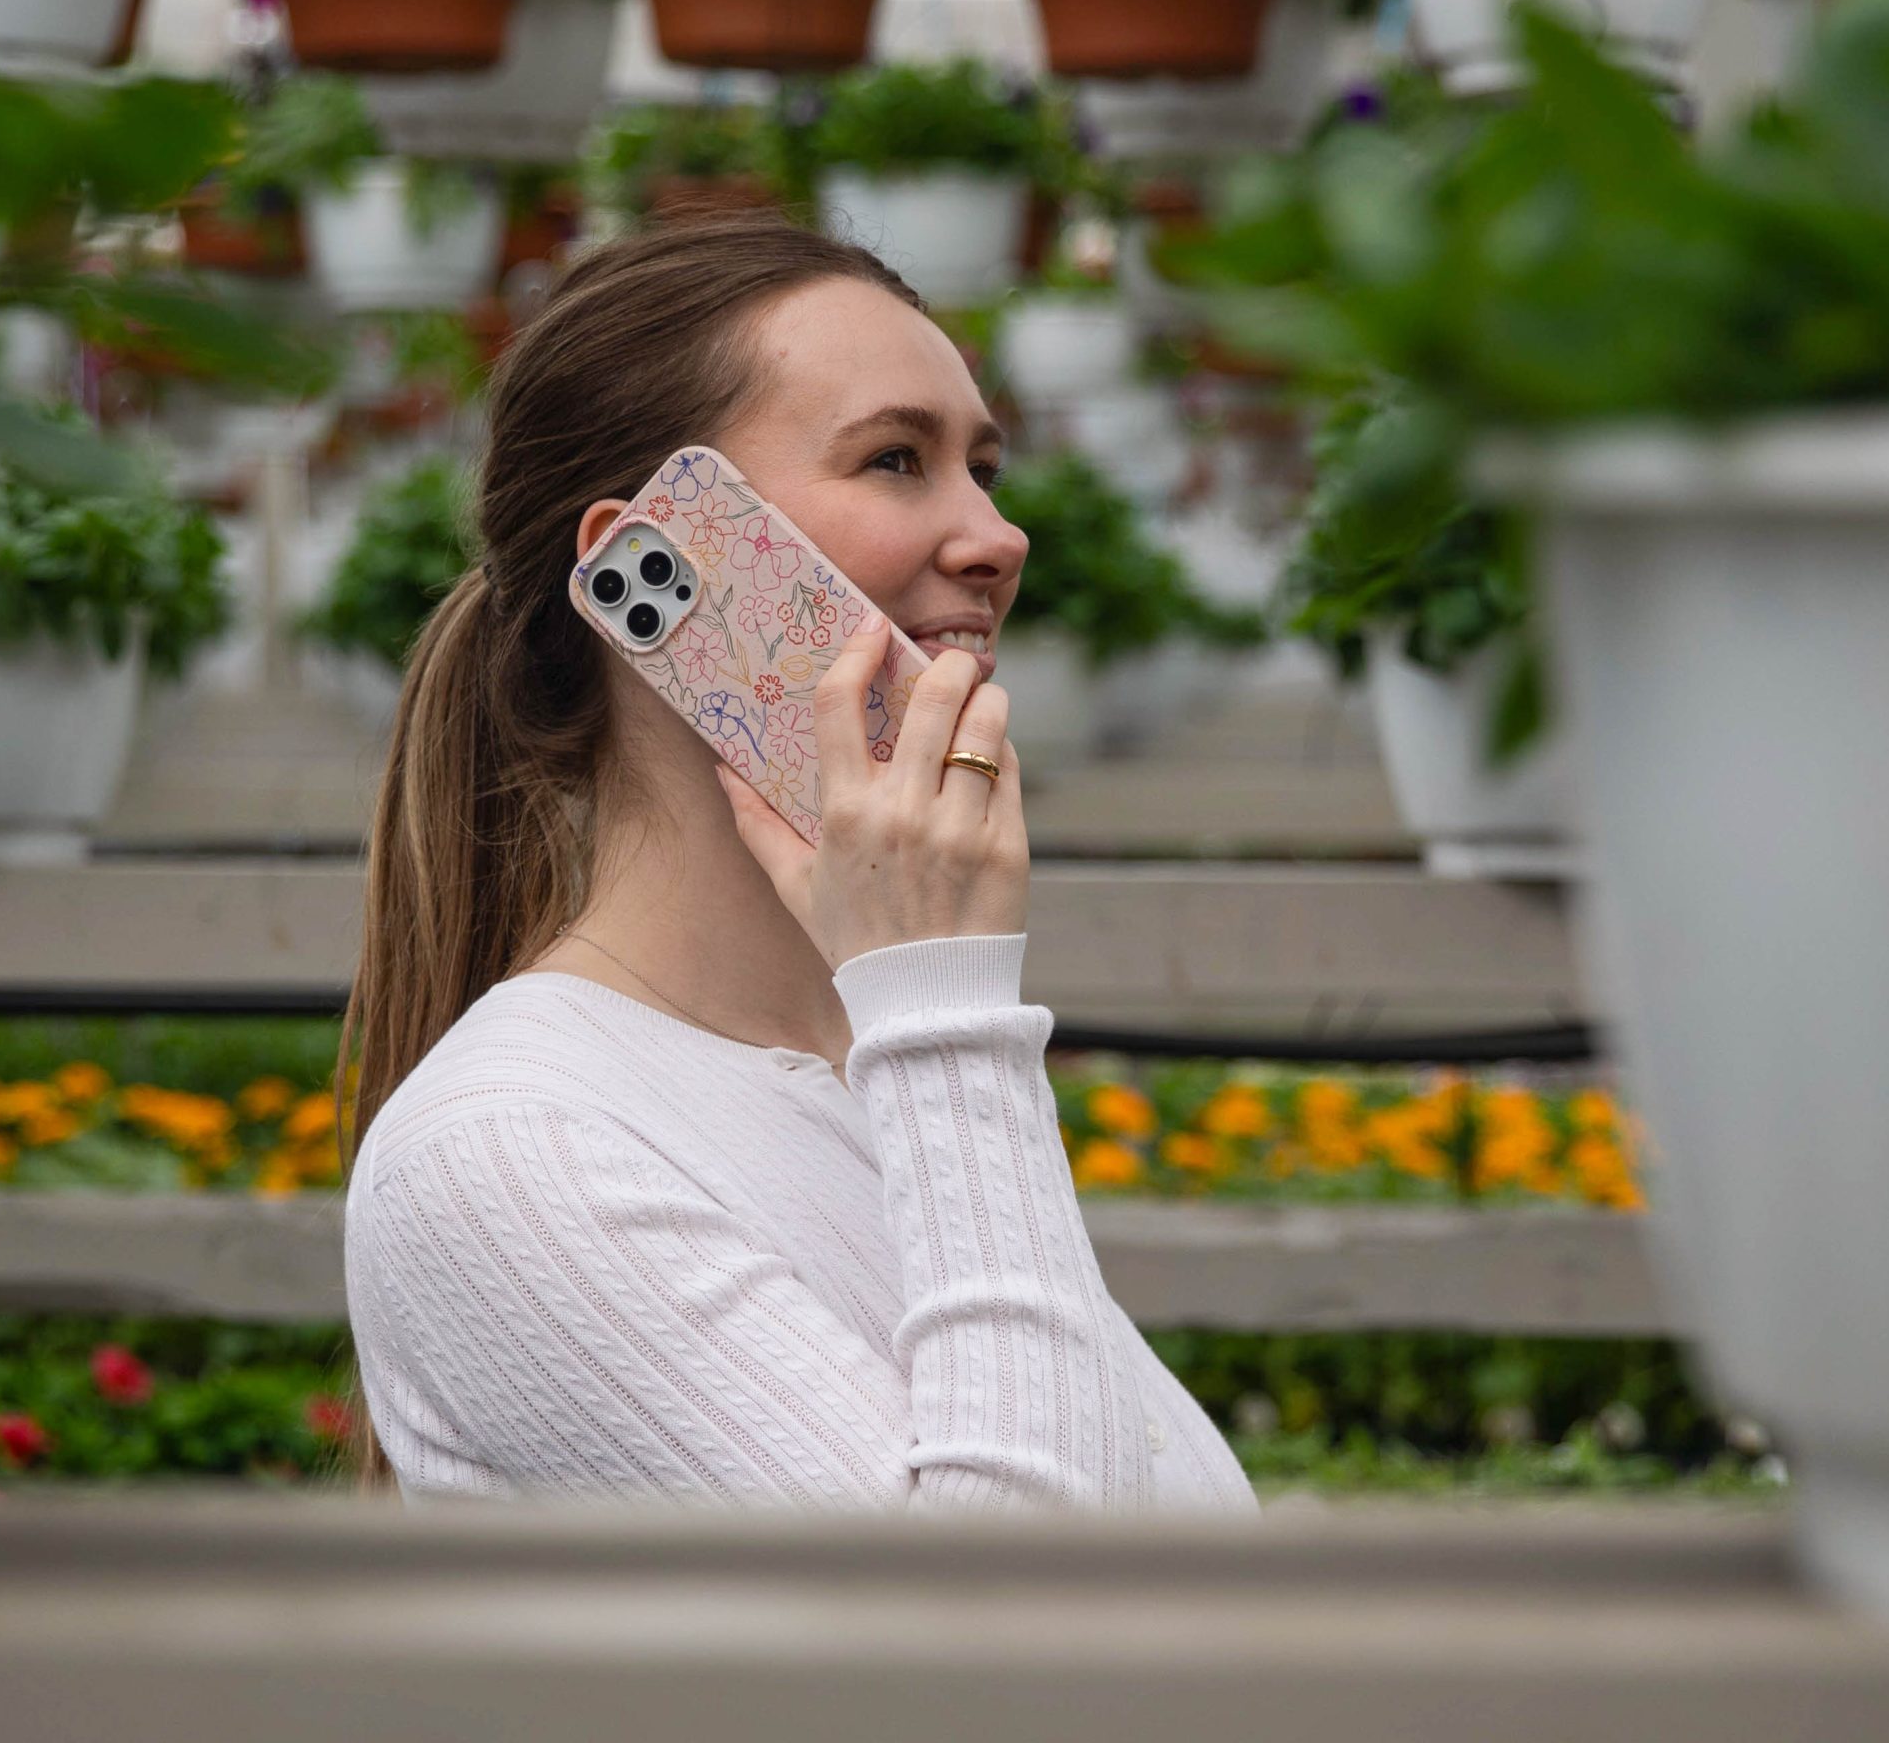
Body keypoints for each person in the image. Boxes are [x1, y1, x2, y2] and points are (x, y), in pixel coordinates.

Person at [341, 213, 1254, 1511]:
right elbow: (1008, 1655)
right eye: (897, 460)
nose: (998, 537)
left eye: (984, 469)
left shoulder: (873, 1075)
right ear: (658, 563)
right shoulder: (506, 1152)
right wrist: (943, 1005)